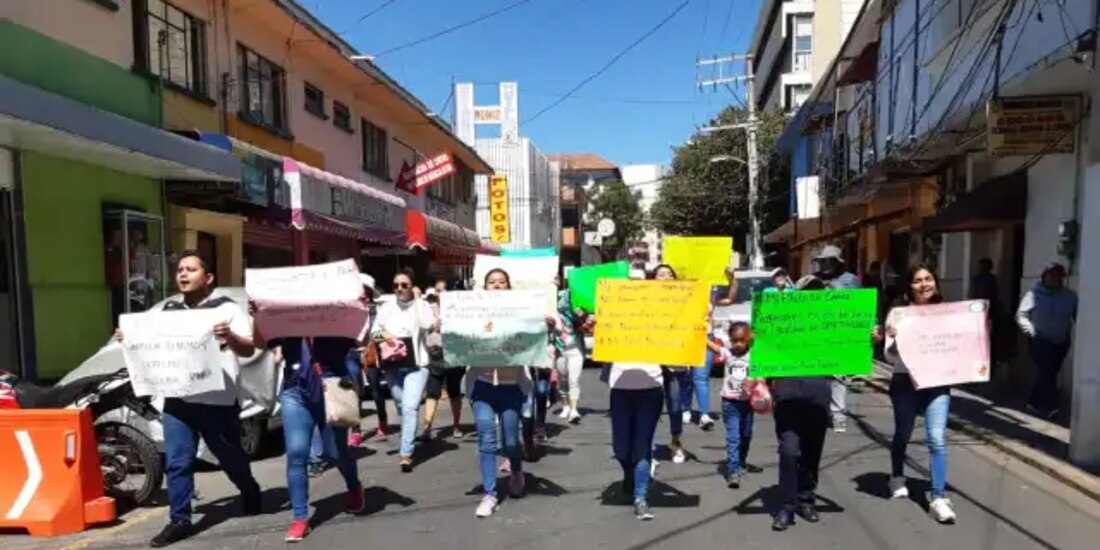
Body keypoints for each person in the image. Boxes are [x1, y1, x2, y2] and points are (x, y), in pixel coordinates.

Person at [115, 251, 261, 548]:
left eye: (191, 269)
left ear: (208, 278)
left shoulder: (227, 310)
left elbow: (248, 350)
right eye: (180, 269)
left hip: (218, 402)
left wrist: (229, 336)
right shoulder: (168, 310)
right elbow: (148, 342)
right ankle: (180, 520)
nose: (183, 274)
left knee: (230, 459)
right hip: (179, 400)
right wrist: (127, 337)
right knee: (178, 462)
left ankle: (249, 489)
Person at [253, 320, 366, 541]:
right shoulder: (286, 312)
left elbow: (361, 337)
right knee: (296, 453)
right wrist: (258, 316)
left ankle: (354, 486)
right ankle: (300, 518)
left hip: (330, 384)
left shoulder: (333, 310)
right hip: (295, 388)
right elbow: (260, 343)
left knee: (336, 452)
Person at [877, 264, 957, 524]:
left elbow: (957, 344)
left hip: (937, 383)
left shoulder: (949, 312)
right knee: (903, 432)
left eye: (928, 278)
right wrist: (892, 338)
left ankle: (938, 496)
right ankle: (897, 476)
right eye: (918, 280)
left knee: (937, 438)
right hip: (905, 382)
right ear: (909, 286)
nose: (924, 284)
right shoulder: (899, 314)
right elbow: (889, 356)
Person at [469, 268, 537, 518]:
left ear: (509, 286)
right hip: (483, 385)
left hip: (511, 386)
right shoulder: (471, 311)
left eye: (501, 282)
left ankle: (516, 469)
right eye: (491, 282)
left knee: (510, 441)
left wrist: (547, 324)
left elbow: (538, 334)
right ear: (484, 287)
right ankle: (490, 493)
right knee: (486, 439)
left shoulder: (522, 312)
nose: (496, 285)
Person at [770, 275, 833, 532]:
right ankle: (786, 507)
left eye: (818, 292)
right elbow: (765, 346)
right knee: (789, 451)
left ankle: (806, 499)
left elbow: (852, 347)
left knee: (812, 451)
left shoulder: (832, 322)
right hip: (787, 395)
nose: (813, 297)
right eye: (808, 292)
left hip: (818, 396)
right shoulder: (783, 320)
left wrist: (870, 338)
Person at [372, 268, 437, 472]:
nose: (400, 289)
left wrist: (418, 302)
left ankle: (406, 452)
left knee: (410, 407)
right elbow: (374, 333)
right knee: (401, 403)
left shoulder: (421, 305)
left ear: (411, 287)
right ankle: (407, 433)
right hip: (393, 364)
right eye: (396, 285)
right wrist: (388, 337)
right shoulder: (387, 307)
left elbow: (429, 324)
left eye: (404, 285)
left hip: (417, 363)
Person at [1016, 262, 1078, 419]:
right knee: (1048, 372)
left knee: (1049, 373)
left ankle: (1033, 401)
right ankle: (1051, 408)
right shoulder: (1033, 294)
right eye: (1052, 276)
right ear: (1045, 277)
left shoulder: (1070, 296)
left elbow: (1078, 316)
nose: (1055, 280)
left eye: (1059, 277)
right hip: (1040, 339)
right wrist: (1031, 331)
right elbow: (1021, 315)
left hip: (1061, 341)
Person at [608, 360, 665, 521]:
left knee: (643, 444)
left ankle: (641, 497)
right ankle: (629, 471)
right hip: (620, 387)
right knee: (620, 447)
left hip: (651, 388)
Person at [813, 244, 860, 433]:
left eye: (830, 261)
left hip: (841, 334)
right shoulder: (813, 281)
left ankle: (838, 414)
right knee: (819, 377)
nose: (826, 265)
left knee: (838, 376)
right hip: (817, 335)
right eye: (823, 261)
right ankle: (820, 413)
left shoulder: (851, 281)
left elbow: (860, 307)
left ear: (838, 262)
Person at [716, 321, 760, 488]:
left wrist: (753, 381)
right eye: (735, 340)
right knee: (733, 438)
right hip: (729, 403)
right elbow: (712, 347)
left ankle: (741, 460)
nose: (738, 344)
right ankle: (733, 471)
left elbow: (761, 374)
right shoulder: (728, 354)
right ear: (730, 340)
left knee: (746, 435)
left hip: (747, 403)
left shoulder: (754, 355)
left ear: (748, 339)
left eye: (742, 340)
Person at [651, 264, 688, 465]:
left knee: (675, 405)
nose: (665, 277)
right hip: (651, 362)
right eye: (660, 274)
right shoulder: (645, 299)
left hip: (674, 362)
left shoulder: (684, 300)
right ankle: (647, 448)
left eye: (669, 274)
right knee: (651, 407)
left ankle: (676, 441)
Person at [423, 280, 467, 439]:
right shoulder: (428, 309)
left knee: (454, 391)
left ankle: (456, 426)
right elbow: (421, 326)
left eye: (442, 291)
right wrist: (433, 325)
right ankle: (427, 428)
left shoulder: (460, 310)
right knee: (432, 392)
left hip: (454, 358)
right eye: (437, 291)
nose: (439, 294)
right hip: (434, 356)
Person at [554, 274, 588, 425]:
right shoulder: (558, 297)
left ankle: (574, 409)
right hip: (560, 347)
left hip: (576, 348)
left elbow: (588, 325)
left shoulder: (585, 300)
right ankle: (566, 405)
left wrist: (583, 316)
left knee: (574, 379)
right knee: (563, 378)